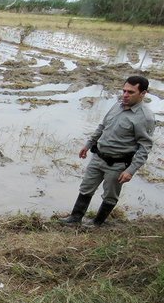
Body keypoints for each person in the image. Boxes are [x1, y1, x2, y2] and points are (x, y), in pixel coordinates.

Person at [61, 75, 155, 227]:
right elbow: (102, 127)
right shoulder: (117, 105)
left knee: (110, 195)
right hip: (98, 156)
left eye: (131, 92)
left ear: (143, 93)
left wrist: (130, 170)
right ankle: (75, 218)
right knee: (86, 187)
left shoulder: (145, 117)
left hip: (117, 163)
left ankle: (97, 223)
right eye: (124, 90)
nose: (125, 95)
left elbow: (145, 147)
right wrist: (88, 144)